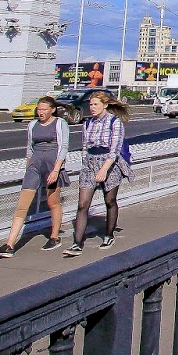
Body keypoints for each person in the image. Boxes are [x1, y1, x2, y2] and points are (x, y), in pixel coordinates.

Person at [0, 97, 67, 257]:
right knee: (22, 206)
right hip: (35, 166)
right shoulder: (33, 125)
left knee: (53, 202)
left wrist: (56, 170)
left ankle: (54, 236)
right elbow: (29, 148)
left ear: (52, 109)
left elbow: (63, 147)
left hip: (52, 166)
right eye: (39, 109)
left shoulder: (60, 123)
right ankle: (9, 245)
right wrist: (28, 168)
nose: (41, 112)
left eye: (44, 109)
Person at [67, 90, 130, 256]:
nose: (92, 107)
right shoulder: (87, 123)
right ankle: (77, 243)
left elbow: (115, 149)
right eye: (90, 104)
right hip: (90, 163)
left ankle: (109, 235)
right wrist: (85, 165)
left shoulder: (114, 122)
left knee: (109, 200)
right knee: (83, 204)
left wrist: (104, 169)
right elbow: (85, 147)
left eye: (95, 104)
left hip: (110, 164)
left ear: (105, 105)